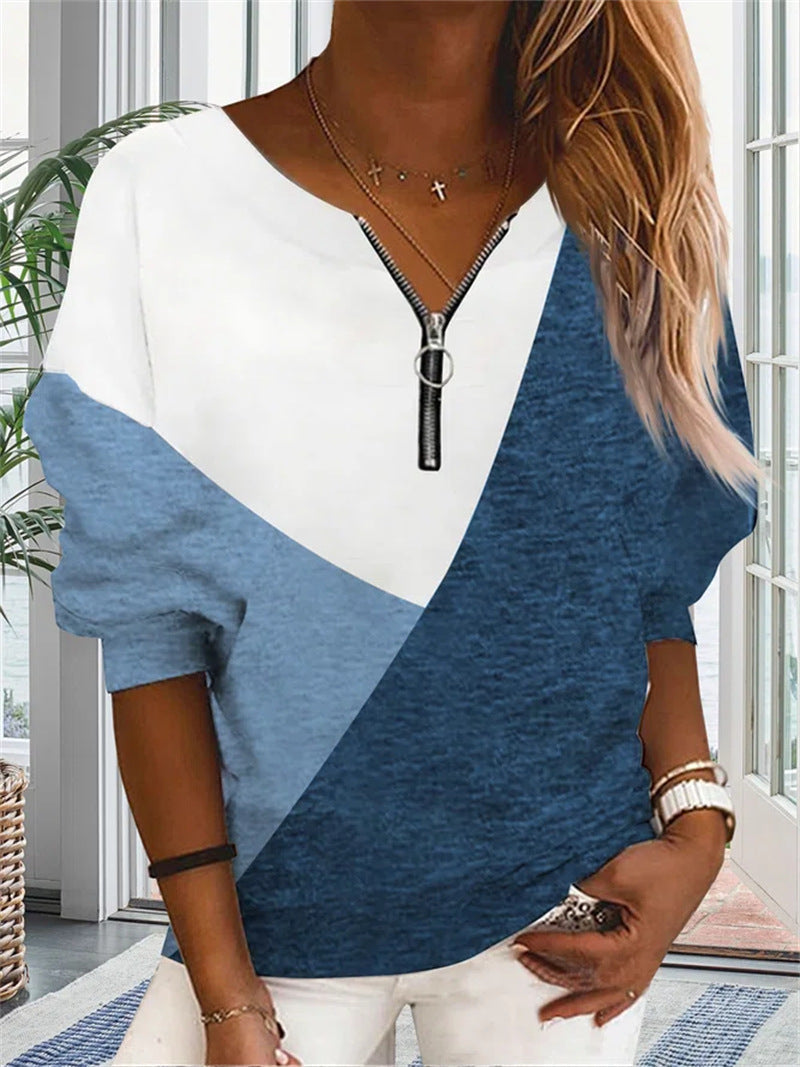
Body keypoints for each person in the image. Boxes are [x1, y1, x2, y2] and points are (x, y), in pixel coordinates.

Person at [24, 2, 761, 1065]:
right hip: (272, 914)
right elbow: (149, 627)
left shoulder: (630, 213)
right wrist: (226, 994)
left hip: (563, 908)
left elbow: (646, 578)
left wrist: (695, 833)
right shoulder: (164, 193)